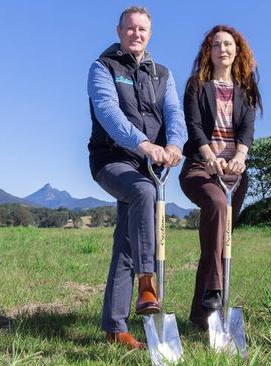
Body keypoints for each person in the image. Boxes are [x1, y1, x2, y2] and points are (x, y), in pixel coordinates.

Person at [87, 6, 187, 349]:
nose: (136, 34)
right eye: (130, 28)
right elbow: (108, 112)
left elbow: (174, 111)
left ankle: (115, 328)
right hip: (112, 160)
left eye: (142, 29)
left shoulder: (162, 73)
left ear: (150, 33)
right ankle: (148, 283)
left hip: (151, 164)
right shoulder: (103, 67)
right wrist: (143, 144)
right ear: (119, 31)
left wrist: (173, 144)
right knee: (143, 192)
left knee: (126, 244)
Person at [179, 25, 262, 330]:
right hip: (200, 168)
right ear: (208, 52)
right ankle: (215, 288)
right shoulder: (196, 86)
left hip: (234, 175)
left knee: (217, 243)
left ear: (237, 51)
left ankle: (202, 317)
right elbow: (194, 125)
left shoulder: (246, 89)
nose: (222, 50)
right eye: (216, 45)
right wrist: (210, 156)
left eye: (228, 44)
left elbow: (247, 130)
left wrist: (239, 157)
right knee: (216, 204)